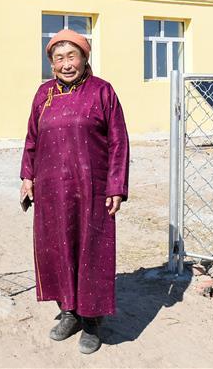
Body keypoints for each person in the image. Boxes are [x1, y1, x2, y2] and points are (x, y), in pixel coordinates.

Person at [20, 28, 130, 354]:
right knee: (57, 248)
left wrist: (116, 186)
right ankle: (68, 311)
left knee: (92, 250)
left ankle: (92, 321)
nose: (66, 64)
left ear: (84, 58)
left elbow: (119, 142)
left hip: (91, 188)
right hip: (51, 188)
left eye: (72, 56)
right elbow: (32, 139)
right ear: (52, 64)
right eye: (59, 58)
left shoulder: (102, 92)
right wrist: (27, 177)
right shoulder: (44, 94)